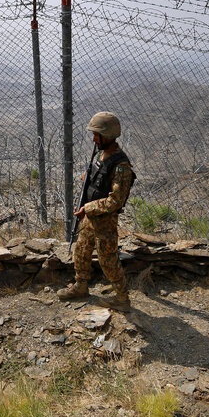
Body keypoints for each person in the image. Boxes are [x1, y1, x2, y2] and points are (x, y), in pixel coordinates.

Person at [57, 112, 136, 311]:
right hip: (90, 218)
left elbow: (115, 201)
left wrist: (89, 207)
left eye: (96, 135)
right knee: (81, 252)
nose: (93, 139)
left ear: (107, 136)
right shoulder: (101, 155)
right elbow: (98, 179)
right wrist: (88, 178)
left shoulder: (121, 166)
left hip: (104, 221)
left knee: (108, 260)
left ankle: (122, 299)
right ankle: (81, 286)